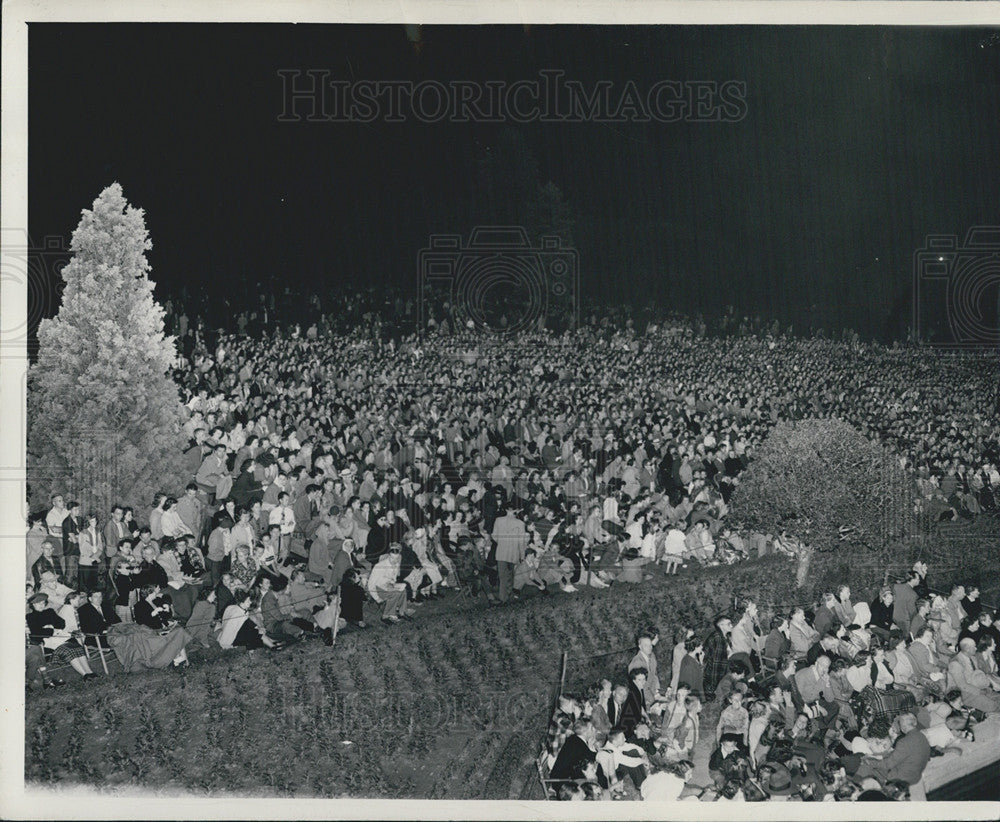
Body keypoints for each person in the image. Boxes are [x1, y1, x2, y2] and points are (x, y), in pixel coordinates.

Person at [26, 591, 97, 680]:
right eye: (38, 604)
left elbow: (61, 624)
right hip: (49, 642)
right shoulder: (30, 617)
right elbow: (36, 632)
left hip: (62, 637)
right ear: (33, 605)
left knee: (78, 648)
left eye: (43, 603)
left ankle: (89, 671)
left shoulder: (49, 612)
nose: (41, 605)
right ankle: (85, 675)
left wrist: (49, 627)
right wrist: (52, 629)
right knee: (69, 651)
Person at [492, 506, 528, 603]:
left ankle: (503, 598)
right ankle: (508, 595)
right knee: (510, 574)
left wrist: (503, 542)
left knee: (502, 575)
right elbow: (522, 541)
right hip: (513, 552)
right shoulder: (520, 523)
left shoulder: (498, 520)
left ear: (506, 510)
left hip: (501, 552)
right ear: (516, 510)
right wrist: (522, 555)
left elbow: (494, 536)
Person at [366, 544, 411, 624]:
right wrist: (377, 598)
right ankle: (386, 616)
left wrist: (395, 585)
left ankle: (402, 612)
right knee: (395, 593)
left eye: (396, 558)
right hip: (377, 589)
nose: (394, 560)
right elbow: (370, 584)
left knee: (403, 591)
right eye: (392, 558)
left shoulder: (396, 564)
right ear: (389, 556)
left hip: (388, 586)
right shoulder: (379, 566)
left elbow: (393, 578)